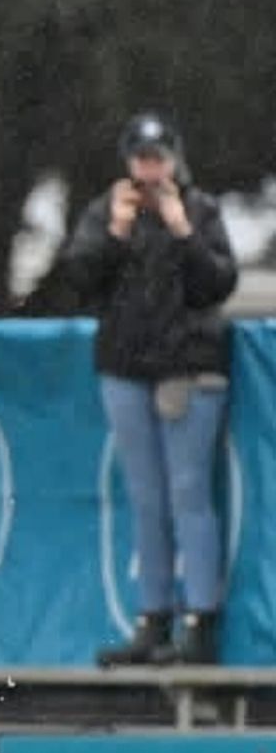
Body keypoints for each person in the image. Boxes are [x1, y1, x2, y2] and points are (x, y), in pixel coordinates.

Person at [56, 111, 238, 665]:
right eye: (142, 157)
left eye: (159, 156)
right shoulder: (107, 212)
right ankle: (153, 619)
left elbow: (218, 285)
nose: (151, 168)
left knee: (188, 494)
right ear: (129, 161)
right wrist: (114, 232)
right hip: (126, 369)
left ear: (175, 158)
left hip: (187, 368)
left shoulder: (201, 211)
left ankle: (200, 622)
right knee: (145, 498)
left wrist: (181, 229)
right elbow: (79, 280)